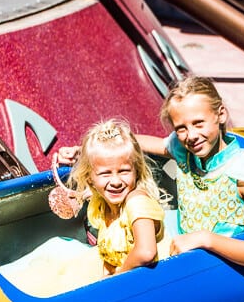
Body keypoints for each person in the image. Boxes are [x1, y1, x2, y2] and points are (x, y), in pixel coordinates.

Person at [133, 76, 244, 270]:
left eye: (198, 123)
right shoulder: (183, 151)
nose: (192, 136)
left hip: (219, 270)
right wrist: (99, 140)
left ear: (220, 115)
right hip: (182, 254)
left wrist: (205, 238)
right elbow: (147, 143)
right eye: (181, 128)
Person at [65, 118, 171, 276]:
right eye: (105, 173)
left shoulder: (137, 200)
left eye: (124, 171)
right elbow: (109, 257)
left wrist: (117, 276)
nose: (115, 181)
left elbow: (146, 252)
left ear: (137, 171)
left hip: (158, 280)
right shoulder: (101, 207)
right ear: (89, 179)